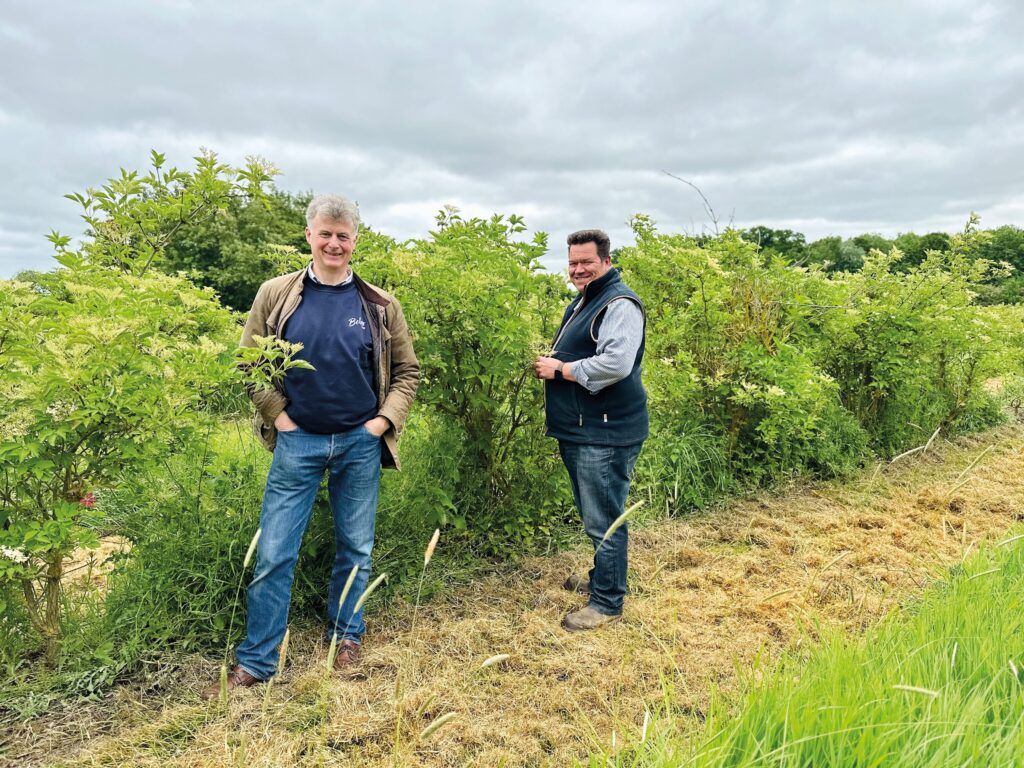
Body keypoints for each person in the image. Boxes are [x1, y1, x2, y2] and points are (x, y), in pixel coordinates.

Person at [209, 194, 419, 696]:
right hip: (296, 443)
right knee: (275, 552)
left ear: (355, 241)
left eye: (343, 236)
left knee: (356, 548)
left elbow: (408, 373)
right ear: (309, 235)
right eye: (325, 233)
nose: (334, 243)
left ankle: (346, 637)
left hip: (358, 443)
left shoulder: (380, 305)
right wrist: (278, 417)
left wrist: (381, 423)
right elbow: (250, 363)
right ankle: (259, 658)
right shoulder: (276, 294)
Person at [533, 229, 648, 632]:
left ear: (606, 262)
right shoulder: (587, 300)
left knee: (605, 519)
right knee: (594, 514)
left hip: (605, 431)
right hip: (585, 429)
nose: (579, 269)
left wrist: (561, 370)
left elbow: (616, 363)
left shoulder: (618, 303)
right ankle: (604, 577)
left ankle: (606, 602)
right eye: (573, 263)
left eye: (587, 262)